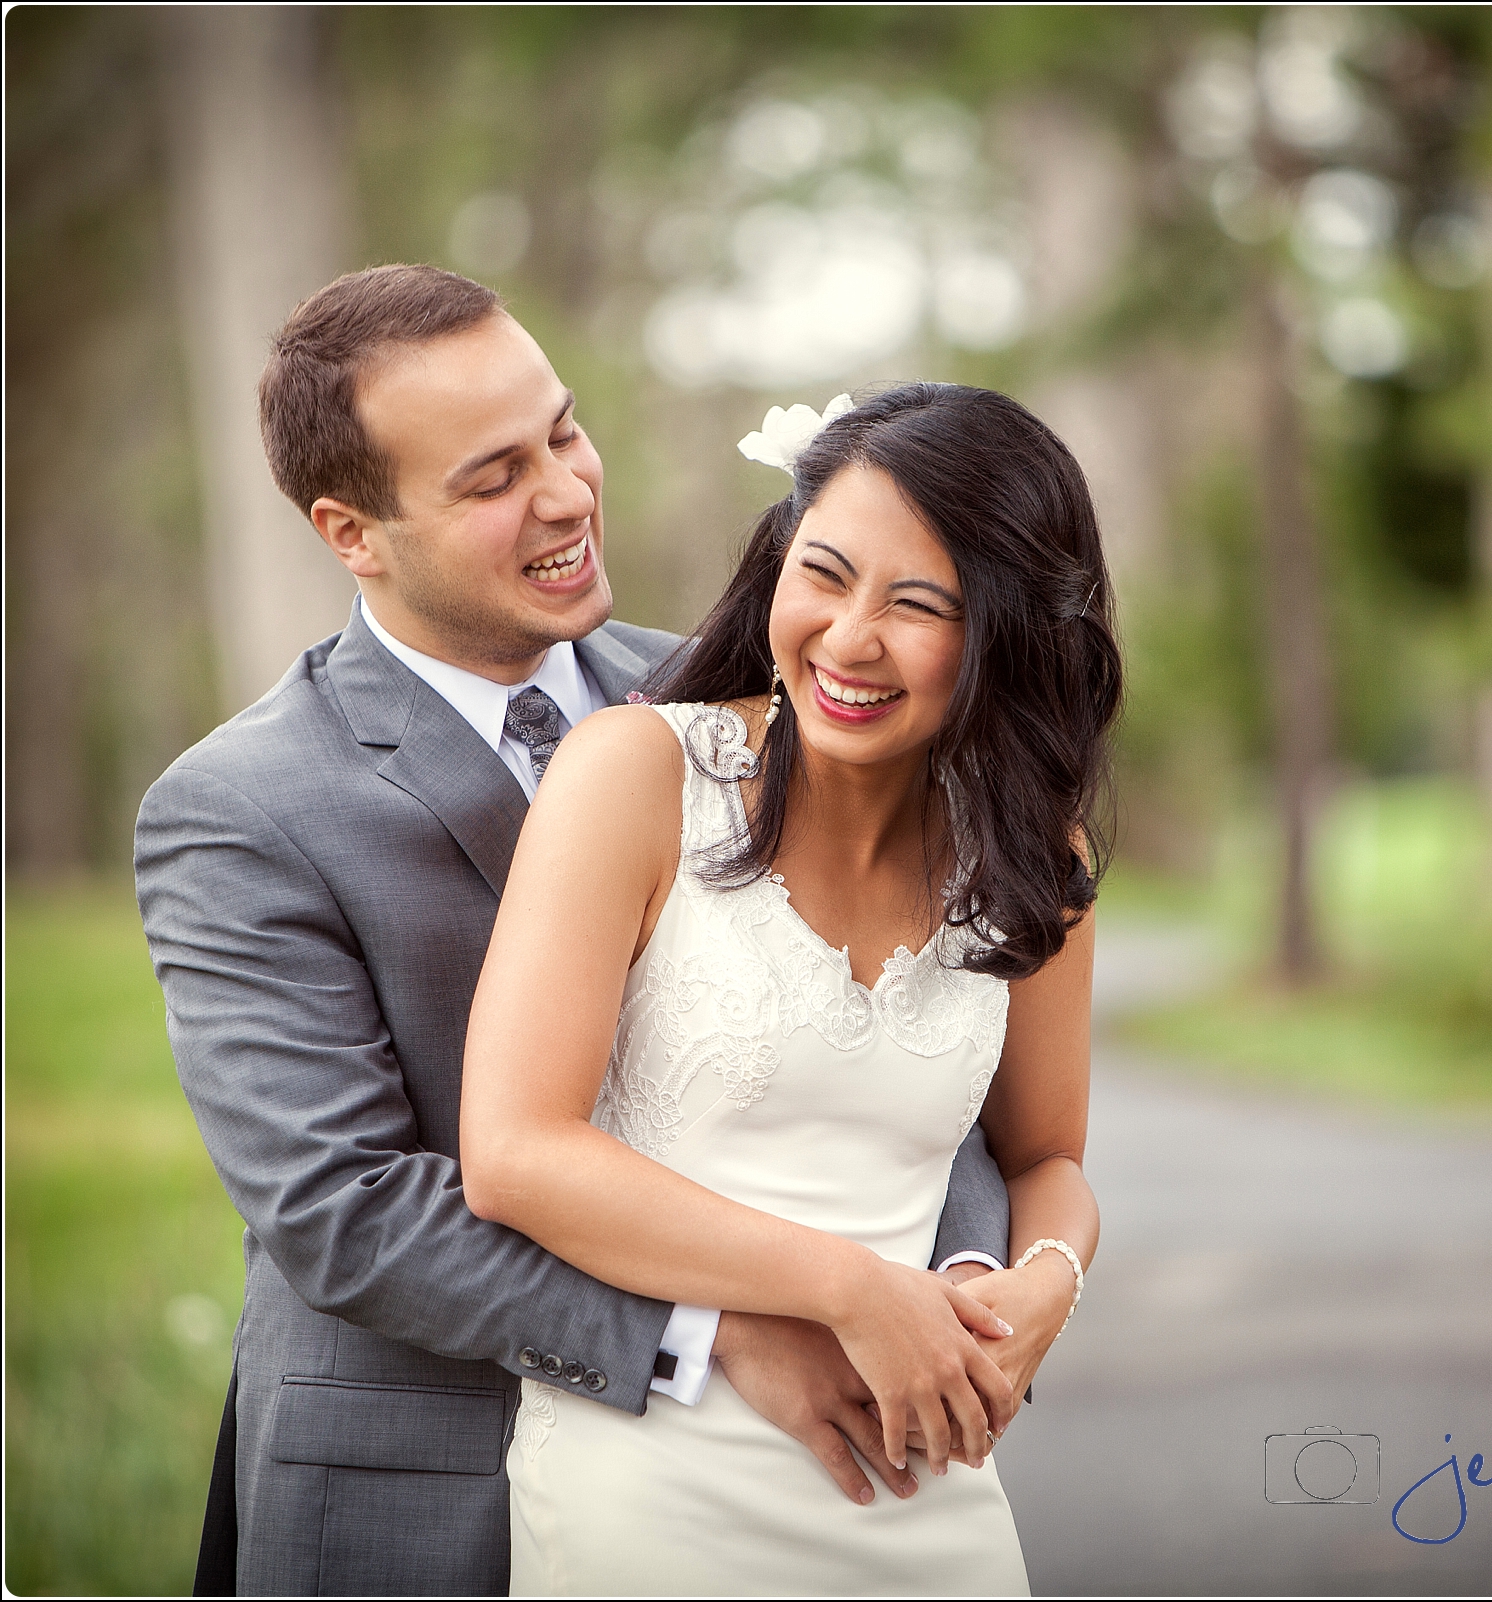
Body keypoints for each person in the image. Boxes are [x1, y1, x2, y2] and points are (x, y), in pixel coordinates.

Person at [134, 265, 1019, 1597]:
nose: (563, 493)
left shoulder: (748, 699)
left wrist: (960, 1285)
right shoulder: (241, 809)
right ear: (352, 530)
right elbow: (345, 1207)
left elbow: (900, 1027)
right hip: (424, 1502)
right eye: (491, 477)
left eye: (562, 430)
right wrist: (714, 1331)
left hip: (798, 1485)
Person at [458, 381, 1119, 1595]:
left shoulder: (1034, 859)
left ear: (1007, 637)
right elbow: (514, 1151)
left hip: (925, 1477)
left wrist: (1044, 1288)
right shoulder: (634, 776)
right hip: (655, 1471)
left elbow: (1045, 1164)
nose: (847, 638)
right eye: (823, 573)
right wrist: (847, 1287)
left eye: (918, 606)